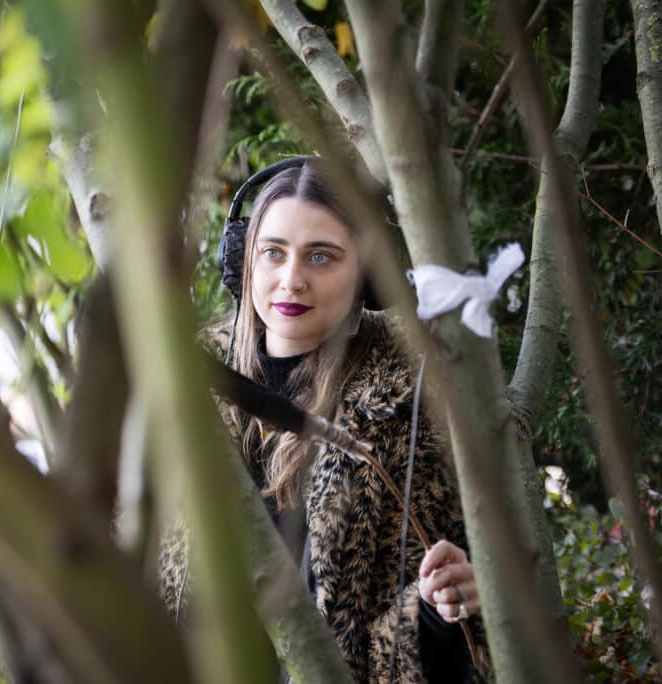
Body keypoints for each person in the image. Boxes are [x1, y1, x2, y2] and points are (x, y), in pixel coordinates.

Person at [158, 159, 489, 683]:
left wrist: (433, 606)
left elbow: (419, 644)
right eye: (272, 253)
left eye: (321, 257)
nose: (291, 280)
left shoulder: (411, 402)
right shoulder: (184, 388)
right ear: (243, 260)